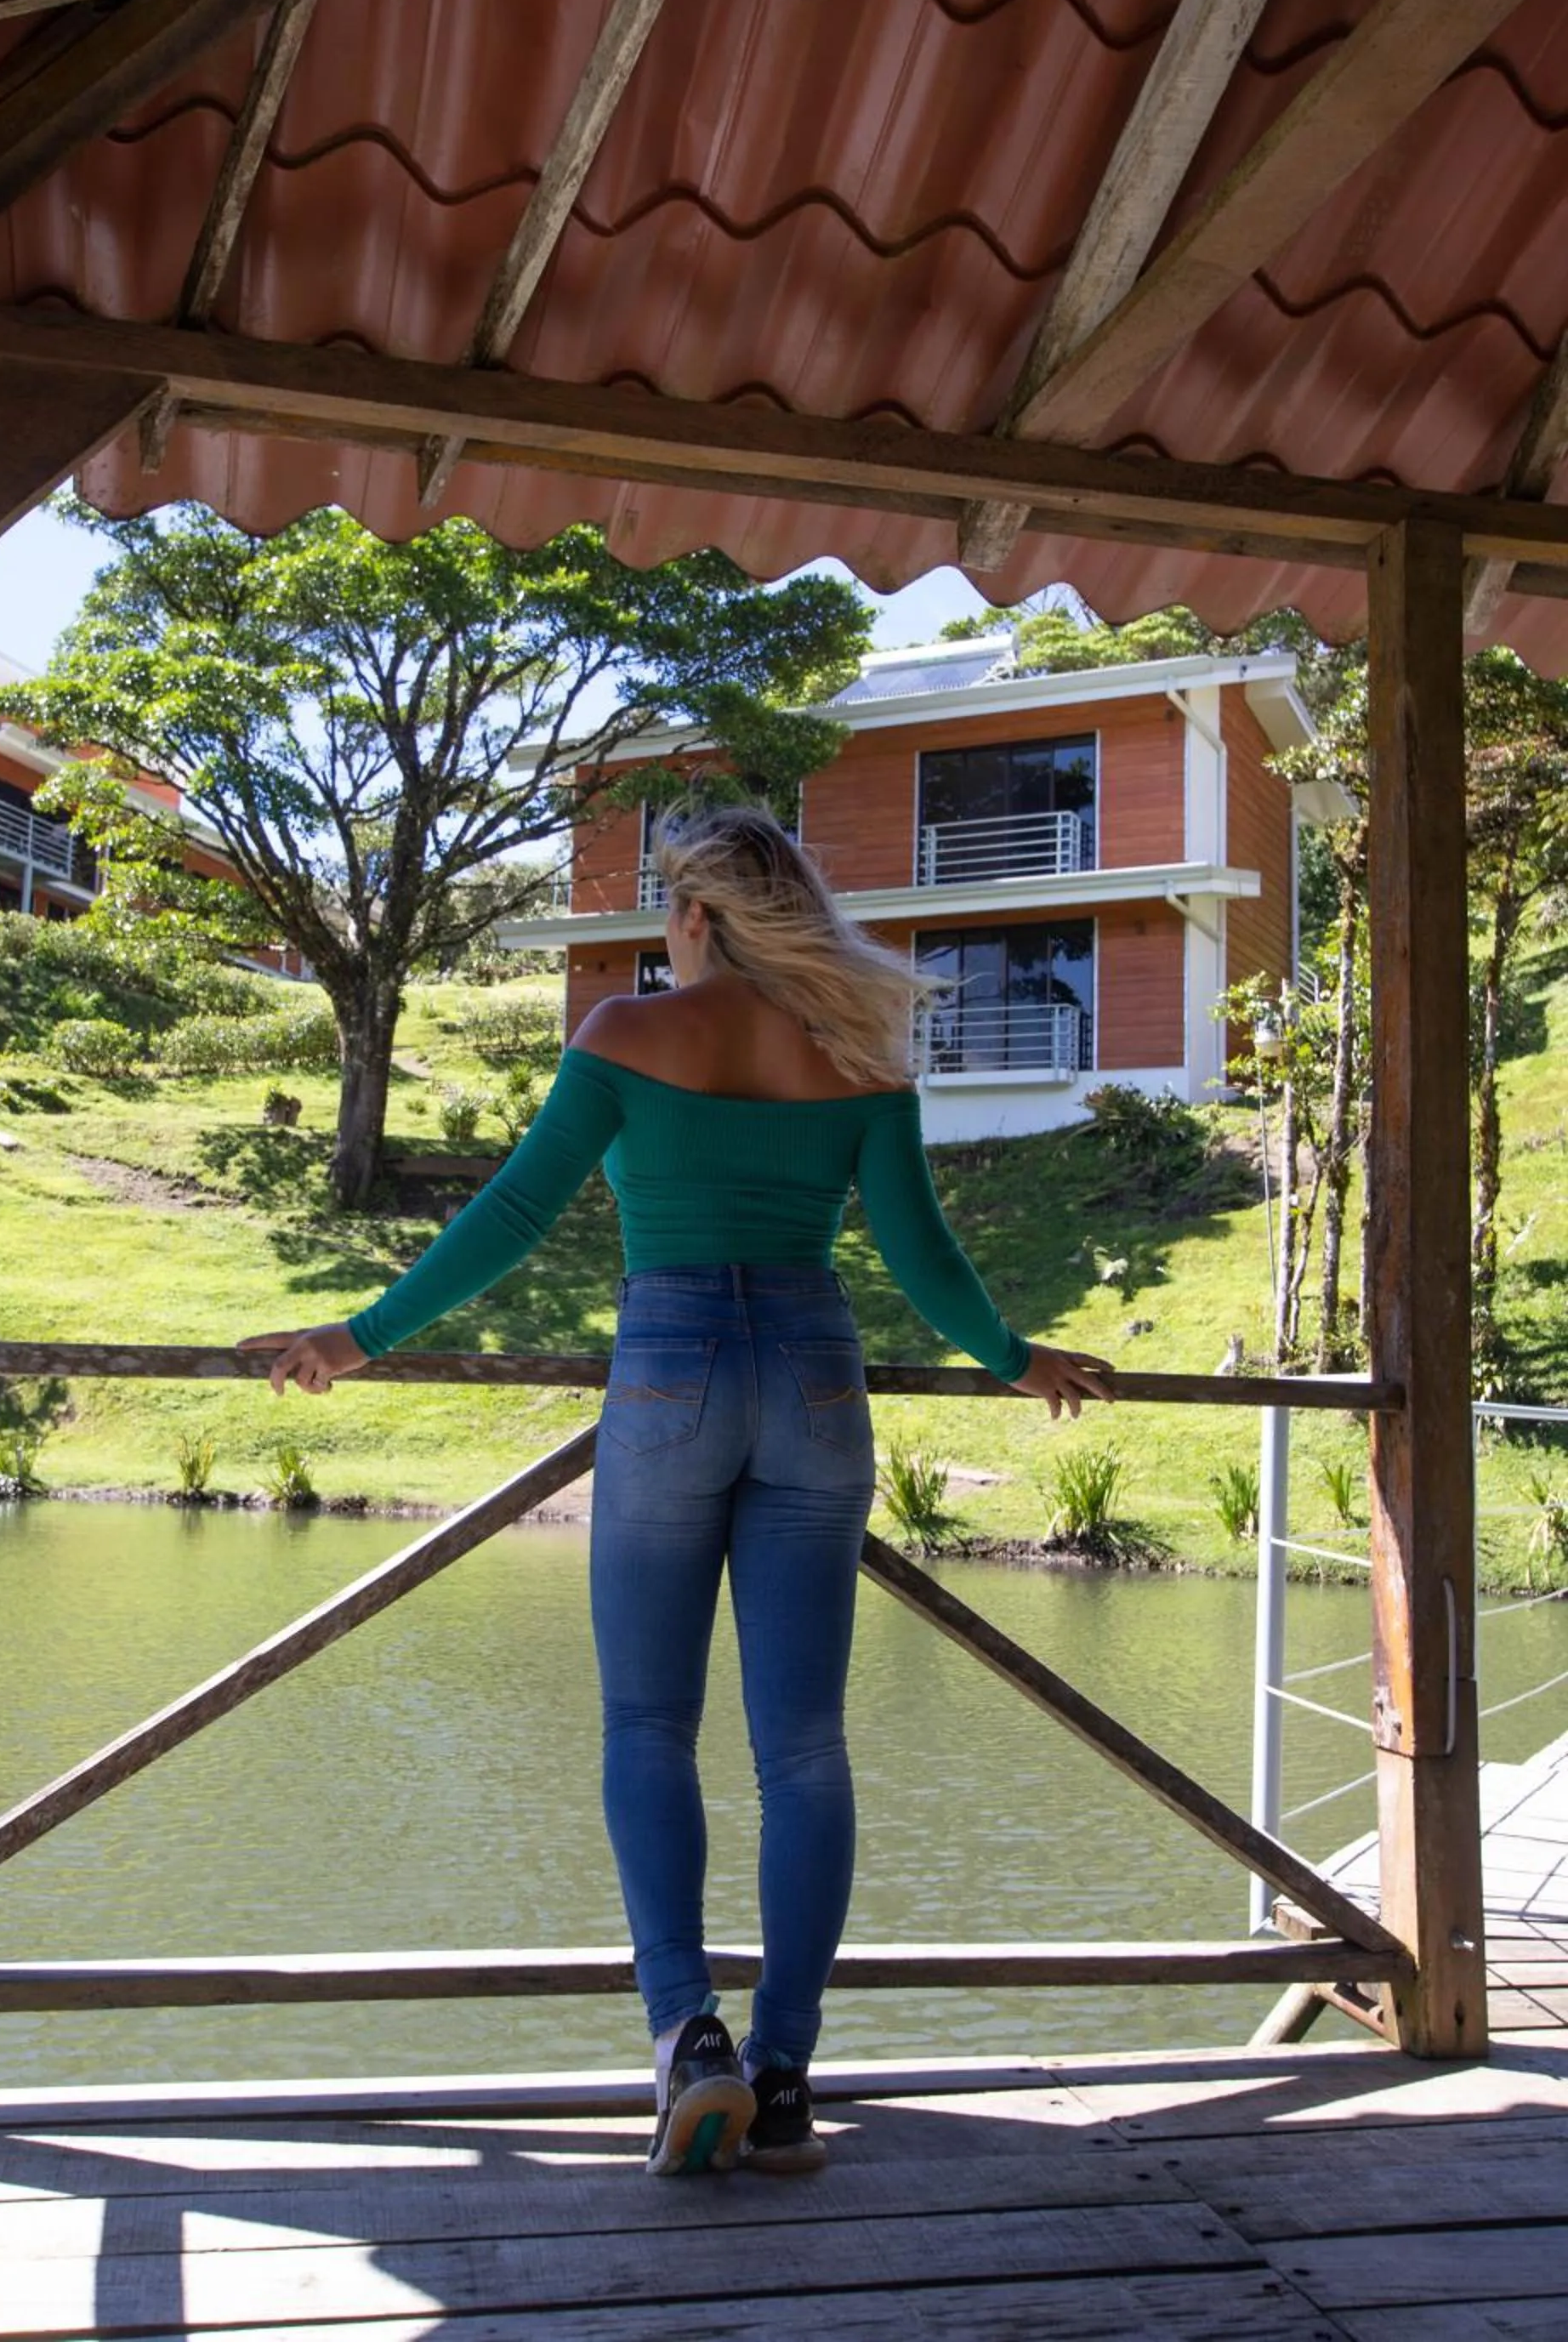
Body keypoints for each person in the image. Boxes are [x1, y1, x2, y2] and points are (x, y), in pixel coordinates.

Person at [241, 802, 1116, 2178]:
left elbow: (514, 1215)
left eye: (666, 905)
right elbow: (920, 1253)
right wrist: (1017, 1359)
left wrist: (362, 1337)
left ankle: (682, 2040)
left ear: (695, 916)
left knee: (649, 1724)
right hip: (818, 1378)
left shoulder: (625, 1040)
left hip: (670, 1374)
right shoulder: (859, 1056)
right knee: (805, 1750)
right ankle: (783, 2076)